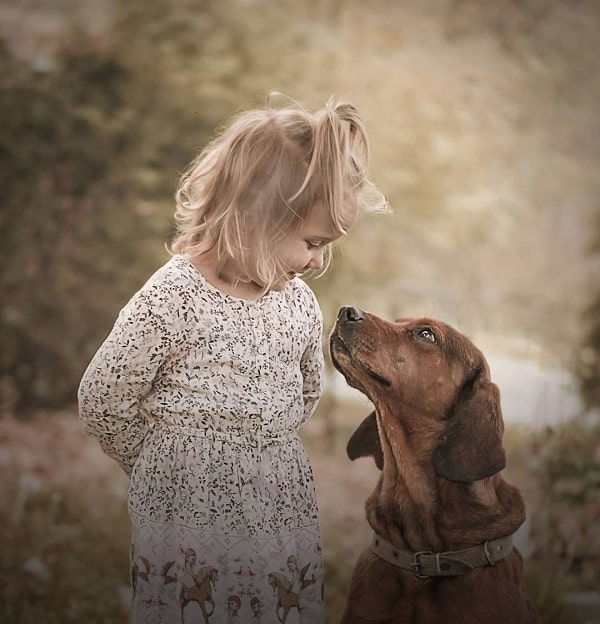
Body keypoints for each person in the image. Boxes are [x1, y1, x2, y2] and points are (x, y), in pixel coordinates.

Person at [78, 92, 387, 623]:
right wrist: (165, 461)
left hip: (279, 510)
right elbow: (105, 398)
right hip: (186, 516)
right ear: (254, 217)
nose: (318, 261)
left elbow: (306, 389)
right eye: (313, 241)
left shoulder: (298, 305)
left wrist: (261, 453)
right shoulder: (174, 296)